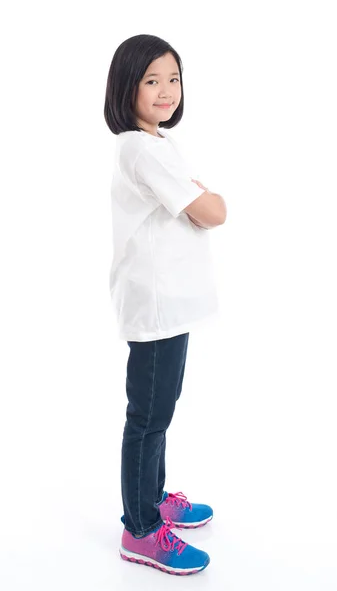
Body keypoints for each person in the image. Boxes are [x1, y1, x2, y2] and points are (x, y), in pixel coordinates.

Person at [104, 34, 227, 576]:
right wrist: (208, 200)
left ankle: (152, 502)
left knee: (161, 410)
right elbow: (211, 210)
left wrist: (200, 203)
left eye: (173, 78)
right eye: (151, 79)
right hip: (154, 308)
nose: (165, 90)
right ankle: (141, 529)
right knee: (148, 417)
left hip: (172, 308)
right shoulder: (139, 147)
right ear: (126, 87)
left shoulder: (158, 144)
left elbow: (197, 209)